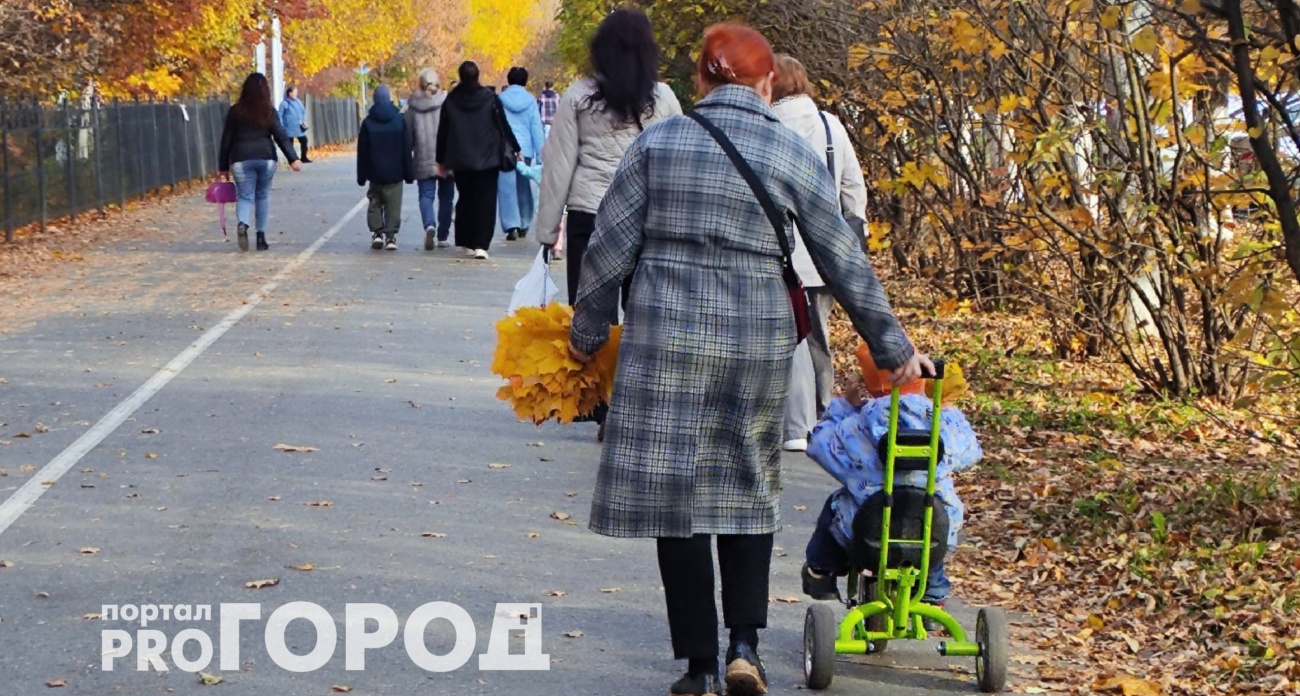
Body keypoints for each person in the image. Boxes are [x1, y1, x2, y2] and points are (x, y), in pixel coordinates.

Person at [564, 23, 932, 696]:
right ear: (765, 84)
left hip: (666, 337)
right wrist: (893, 349)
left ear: (702, 80)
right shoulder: (789, 150)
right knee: (748, 486)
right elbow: (842, 258)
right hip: (756, 339)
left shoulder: (658, 143)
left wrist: (586, 332)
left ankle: (700, 666)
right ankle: (745, 648)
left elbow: (608, 249)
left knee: (677, 501)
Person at [535, 8, 682, 438]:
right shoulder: (664, 99)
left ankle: (599, 404)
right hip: (646, 219)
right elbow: (677, 163)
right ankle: (634, 405)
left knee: (592, 312)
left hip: (590, 215)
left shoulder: (579, 97)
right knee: (642, 315)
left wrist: (547, 232)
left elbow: (558, 166)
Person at [801, 351, 982, 613]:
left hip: (868, 527)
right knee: (932, 520)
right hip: (931, 528)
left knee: (837, 506)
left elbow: (820, 445)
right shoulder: (941, 422)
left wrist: (844, 407)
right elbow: (971, 450)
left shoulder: (856, 426)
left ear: (870, 383)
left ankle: (822, 570)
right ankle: (932, 593)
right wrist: (949, 410)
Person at [772, 54, 870, 452]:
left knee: (786, 337)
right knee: (818, 338)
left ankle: (794, 420)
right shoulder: (831, 126)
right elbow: (853, 189)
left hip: (780, 252)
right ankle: (821, 412)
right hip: (825, 255)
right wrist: (854, 232)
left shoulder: (767, 126)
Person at [437, 61, 521, 260]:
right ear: (478, 75)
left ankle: (465, 241)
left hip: (460, 157)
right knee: (486, 201)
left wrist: (440, 159)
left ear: (460, 76)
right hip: (488, 157)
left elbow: (443, 131)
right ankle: (481, 244)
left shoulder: (451, 100)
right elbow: (503, 125)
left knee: (465, 199)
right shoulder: (490, 98)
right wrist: (516, 147)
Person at [218, 72, 301, 252]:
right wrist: (293, 158)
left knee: (245, 196)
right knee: (262, 195)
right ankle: (261, 237)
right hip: (266, 158)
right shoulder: (268, 111)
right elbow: (280, 135)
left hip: (241, 159)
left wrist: (223, 167)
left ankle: (243, 223)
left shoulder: (235, 112)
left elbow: (226, 140)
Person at [357, 85, 414, 251]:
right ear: (389, 99)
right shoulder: (399, 121)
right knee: (393, 205)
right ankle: (390, 236)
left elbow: (363, 152)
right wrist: (409, 173)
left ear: (374, 100)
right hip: (395, 172)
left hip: (374, 171)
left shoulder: (368, 123)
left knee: (375, 202)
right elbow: (405, 149)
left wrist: (362, 175)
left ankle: (377, 233)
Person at [406, 68, 455, 250]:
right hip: (447, 158)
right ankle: (443, 235)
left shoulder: (413, 108)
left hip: (422, 158)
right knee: (446, 197)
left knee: (426, 195)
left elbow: (408, 137)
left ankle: (429, 224)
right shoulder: (448, 103)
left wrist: (407, 156)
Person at [497, 67, 546, 241]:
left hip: (504, 148)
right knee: (523, 186)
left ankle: (511, 225)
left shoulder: (500, 99)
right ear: (525, 81)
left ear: (509, 80)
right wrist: (541, 156)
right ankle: (524, 222)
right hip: (525, 149)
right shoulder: (530, 100)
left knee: (506, 188)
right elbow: (536, 128)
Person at [278, 86, 311, 163]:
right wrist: (281, 125)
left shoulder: (298, 102)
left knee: (304, 140)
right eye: (294, 92)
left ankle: (303, 157)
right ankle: (292, 159)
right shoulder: (284, 103)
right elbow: (280, 115)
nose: (296, 94)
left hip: (298, 126)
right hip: (288, 127)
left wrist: (303, 120)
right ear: (290, 93)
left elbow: (303, 111)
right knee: (290, 143)